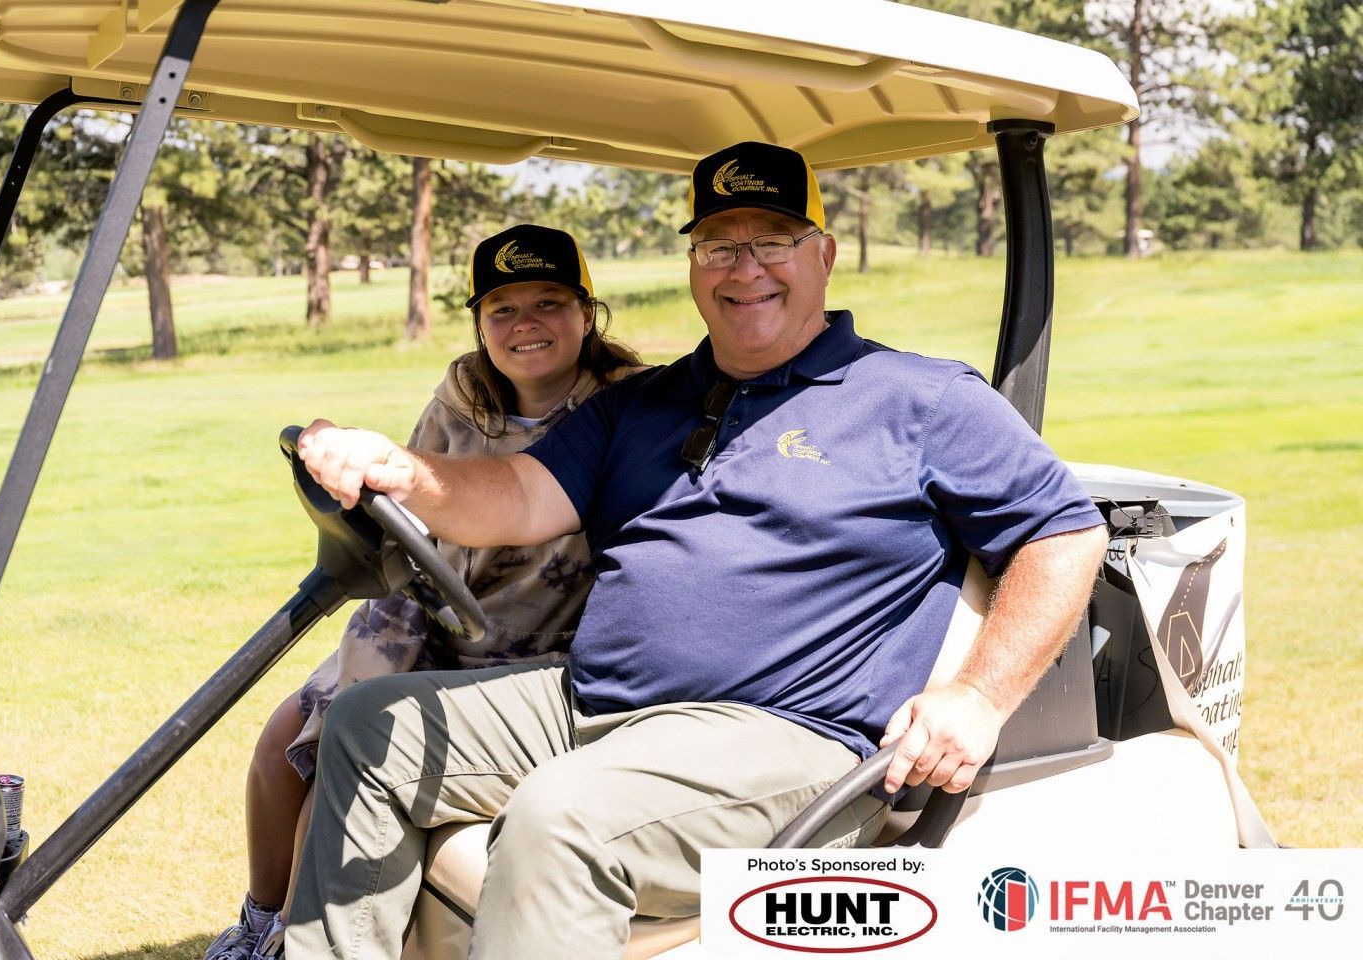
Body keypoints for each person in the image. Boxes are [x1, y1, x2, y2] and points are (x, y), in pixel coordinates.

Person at [286, 141, 1108, 960]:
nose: (743, 268)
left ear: (823, 256)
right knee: (368, 722)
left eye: (772, 242)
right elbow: (515, 495)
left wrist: (978, 698)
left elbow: (1065, 530)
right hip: (596, 703)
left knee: (559, 817)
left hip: (791, 738)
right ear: (693, 265)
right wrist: (402, 469)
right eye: (718, 246)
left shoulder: (919, 398)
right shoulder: (642, 401)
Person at [202, 224, 644, 960]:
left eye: (549, 302)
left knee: (341, 763)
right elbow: (408, 513)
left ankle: (295, 940)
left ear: (587, 312)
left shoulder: (628, 409)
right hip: (433, 621)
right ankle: (260, 922)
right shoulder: (461, 398)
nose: (525, 325)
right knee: (286, 737)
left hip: (539, 650)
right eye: (502, 308)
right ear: (478, 321)